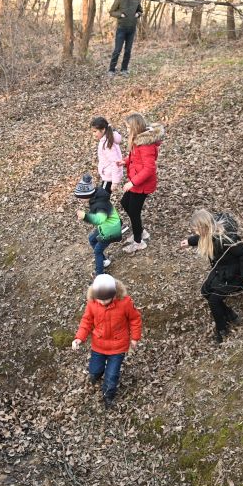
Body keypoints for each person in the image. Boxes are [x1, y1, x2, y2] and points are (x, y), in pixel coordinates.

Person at [180, 210, 243, 344]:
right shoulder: (208, 234)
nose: (195, 232)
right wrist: (189, 241)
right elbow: (202, 237)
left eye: (196, 229)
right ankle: (231, 315)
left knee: (213, 300)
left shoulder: (224, 240)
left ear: (204, 227)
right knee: (205, 292)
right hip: (221, 270)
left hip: (234, 275)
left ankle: (221, 329)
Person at [71, 274, 142, 408]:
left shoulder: (125, 302)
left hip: (118, 346)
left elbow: (135, 319)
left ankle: (108, 396)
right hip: (99, 345)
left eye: (107, 299)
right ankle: (96, 375)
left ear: (114, 294)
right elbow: (86, 321)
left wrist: (135, 338)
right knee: (94, 370)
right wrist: (79, 338)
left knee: (112, 375)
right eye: (100, 300)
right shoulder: (92, 304)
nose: (103, 302)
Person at [120, 113, 164, 253]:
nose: (127, 131)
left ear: (135, 127)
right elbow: (134, 158)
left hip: (142, 184)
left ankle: (138, 242)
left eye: (128, 128)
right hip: (136, 181)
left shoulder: (145, 145)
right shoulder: (138, 141)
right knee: (125, 203)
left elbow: (149, 169)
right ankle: (141, 231)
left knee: (134, 211)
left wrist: (132, 183)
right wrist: (125, 161)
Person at [75, 174, 125, 275]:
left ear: (87, 195)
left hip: (111, 229)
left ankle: (99, 275)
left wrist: (85, 216)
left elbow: (99, 219)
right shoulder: (96, 197)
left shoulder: (100, 204)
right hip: (105, 227)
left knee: (97, 251)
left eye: (81, 198)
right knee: (91, 239)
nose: (79, 200)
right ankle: (104, 261)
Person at [108, 0, 143, 77]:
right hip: (121, 28)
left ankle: (124, 69)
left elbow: (140, 11)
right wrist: (120, 14)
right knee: (117, 50)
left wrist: (138, 14)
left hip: (132, 29)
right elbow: (111, 12)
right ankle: (111, 70)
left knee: (128, 50)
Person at [90, 117, 124, 193]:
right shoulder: (106, 139)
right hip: (109, 173)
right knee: (103, 197)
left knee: (102, 197)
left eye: (95, 131)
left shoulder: (106, 144)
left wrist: (114, 182)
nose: (93, 134)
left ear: (103, 130)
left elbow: (115, 162)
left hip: (110, 176)